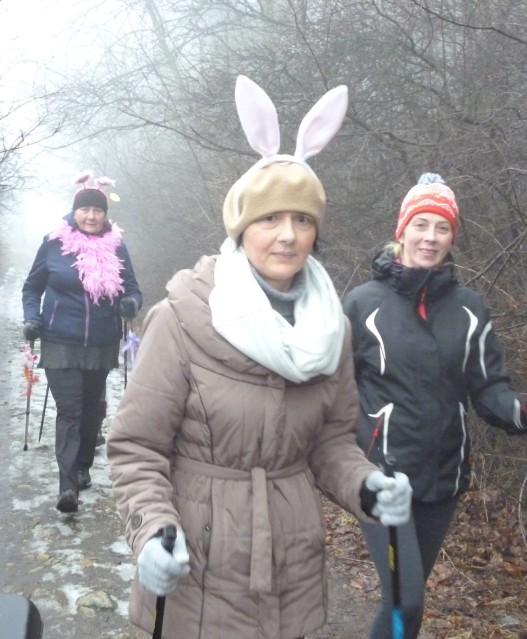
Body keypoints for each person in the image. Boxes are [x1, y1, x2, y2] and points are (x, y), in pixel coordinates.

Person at [106, 75, 413, 639]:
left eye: (302, 220)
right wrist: (151, 530)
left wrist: (366, 486)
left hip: (292, 560)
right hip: (197, 565)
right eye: (269, 219)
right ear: (242, 227)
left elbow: (331, 442)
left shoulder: (332, 329)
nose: (287, 236)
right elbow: (137, 447)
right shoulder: (182, 317)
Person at [341, 173, 527, 638]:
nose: (431, 237)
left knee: (410, 606)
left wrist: (522, 411)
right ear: (401, 231)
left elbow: (488, 388)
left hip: (445, 476)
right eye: (421, 224)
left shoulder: (468, 307)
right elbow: (337, 390)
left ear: (452, 237)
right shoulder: (362, 304)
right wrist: (354, 457)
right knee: (405, 598)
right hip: (382, 477)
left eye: (442, 228)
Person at [22, 172, 142, 514]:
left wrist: (131, 303)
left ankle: (84, 465)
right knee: (70, 411)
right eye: (85, 210)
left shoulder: (117, 246)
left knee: (91, 412)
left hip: (102, 341)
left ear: (105, 215)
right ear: (74, 213)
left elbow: (132, 288)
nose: (91, 216)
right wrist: (32, 318)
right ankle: (67, 486)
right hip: (60, 339)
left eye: (97, 211)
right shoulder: (54, 243)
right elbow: (32, 287)